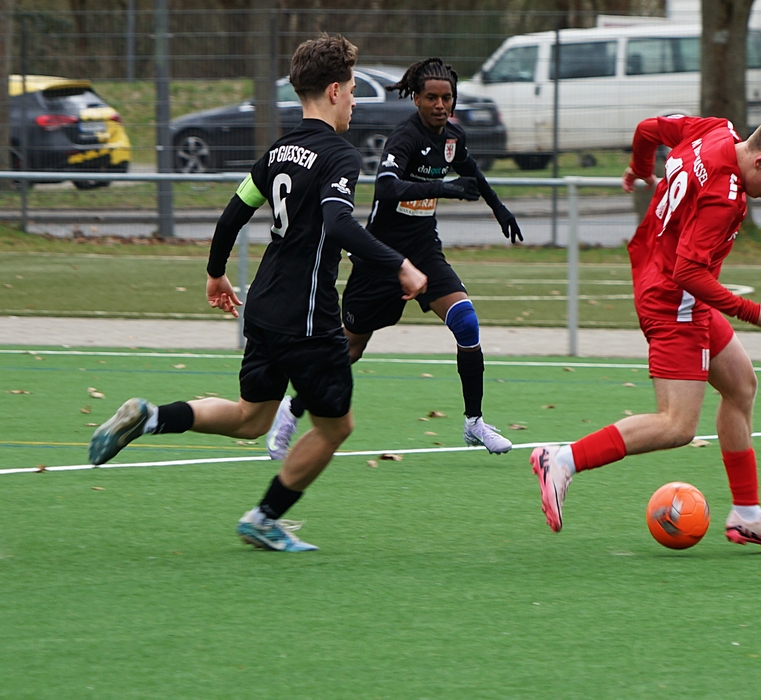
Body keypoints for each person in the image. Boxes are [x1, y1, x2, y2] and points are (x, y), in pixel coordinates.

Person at [87, 34, 427, 552]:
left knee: (252, 418)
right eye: (354, 90)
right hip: (308, 316)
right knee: (336, 428)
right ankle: (264, 518)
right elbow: (338, 224)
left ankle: (152, 416)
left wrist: (215, 272)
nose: (356, 102)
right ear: (334, 91)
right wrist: (400, 264)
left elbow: (234, 212)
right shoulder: (339, 156)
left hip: (265, 305)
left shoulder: (278, 151)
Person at [530, 115, 761, 552]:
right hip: (673, 299)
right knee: (677, 425)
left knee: (740, 385)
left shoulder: (716, 130)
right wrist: (750, 311)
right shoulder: (725, 198)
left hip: (661, 275)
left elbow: (648, 128)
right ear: (760, 161)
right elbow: (689, 272)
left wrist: (639, 167)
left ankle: (747, 515)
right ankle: (562, 459)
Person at [265, 57, 522, 460]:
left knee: (466, 322)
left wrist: (500, 209)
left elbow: (471, 172)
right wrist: (445, 189)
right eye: (432, 97)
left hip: (424, 251)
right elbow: (386, 188)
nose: (440, 105)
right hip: (381, 257)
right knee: (350, 349)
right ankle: (292, 409)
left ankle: (474, 423)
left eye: (447, 98)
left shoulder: (452, 138)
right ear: (416, 99)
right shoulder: (404, 138)